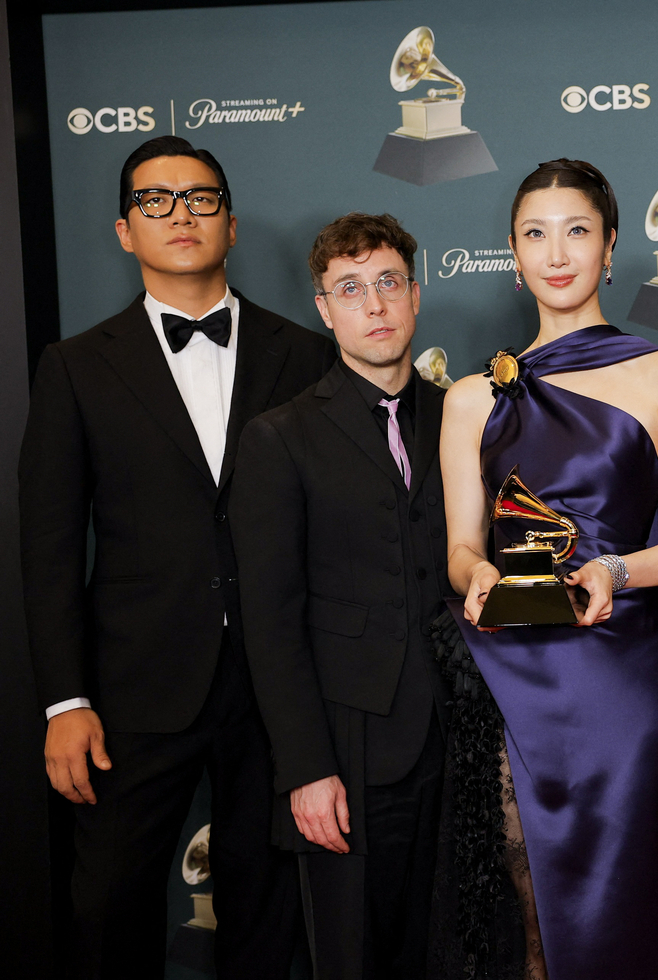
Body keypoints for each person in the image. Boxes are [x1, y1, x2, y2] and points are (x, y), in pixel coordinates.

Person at [17, 135, 334, 977]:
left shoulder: (304, 354)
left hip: (275, 687)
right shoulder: (75, 367)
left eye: (199, 198)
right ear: (125, 231)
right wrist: (63, 704)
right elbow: (47, 547)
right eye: (155, 200)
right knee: (109, 908)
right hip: (132, 690)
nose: (179, 215)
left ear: (229, 224)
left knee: (270, 912)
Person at [435, 158, 658, 980]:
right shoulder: (472, 397)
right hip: (512, 672)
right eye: (535, 234)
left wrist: (616, 573)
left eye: (576, 231)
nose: (555, 252)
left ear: (609, 248)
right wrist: (476, 578)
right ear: (512, 251)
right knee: (527, 904)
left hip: (624, 681)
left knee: (626, 904)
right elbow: (462, 546)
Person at [229, 213, 451, 978]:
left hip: (459, 739)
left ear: (415, 295)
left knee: (449, 949)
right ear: (324, 309)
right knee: (355, 955)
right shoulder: (279, 437)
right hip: (348, 750)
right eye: (351, 289)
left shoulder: (462, 419)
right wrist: (305, 768)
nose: (375, 305)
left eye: (389, 283)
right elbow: (270, 619)